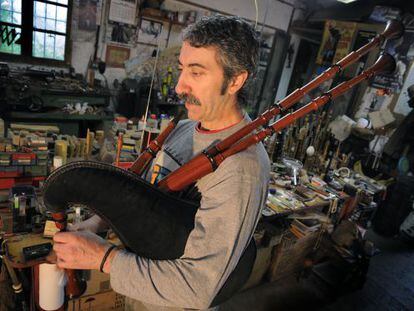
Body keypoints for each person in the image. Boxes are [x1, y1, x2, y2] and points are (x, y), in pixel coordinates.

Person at [52, 15, 270, 310]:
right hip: (142, 296)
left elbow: (199, 286)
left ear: (235, 80)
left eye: (196, 73)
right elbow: (146, 199)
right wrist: (96, 224)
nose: (180, 87)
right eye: (182, 70)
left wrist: (103, 258)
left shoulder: (243, 168)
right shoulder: (184, 129)